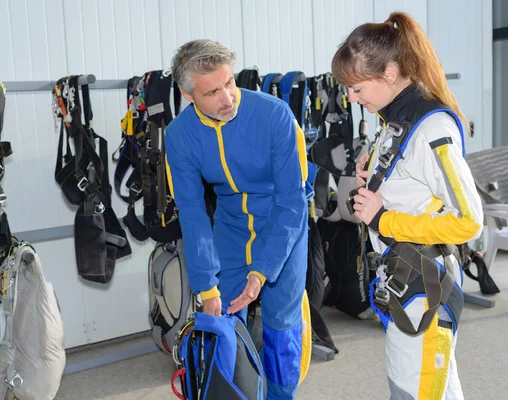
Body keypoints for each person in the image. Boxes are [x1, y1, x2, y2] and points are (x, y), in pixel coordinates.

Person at [332, 11, 484, 400]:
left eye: (356, 88)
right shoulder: (395, 119)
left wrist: (385, 217)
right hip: (405, 284)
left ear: (388, 74)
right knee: (435, 389)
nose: (352, 98)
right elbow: (415, 190)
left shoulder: (432, 129)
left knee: (415, 391)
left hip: (424, 290)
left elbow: (468, 221)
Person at [165, 39, 311, 400]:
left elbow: (293, 201)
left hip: (282, 227)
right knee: (221, 326)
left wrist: (262, 270)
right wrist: (206, 286)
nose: (227, 98)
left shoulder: (275, 115)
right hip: (230, 228)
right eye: (213, 92)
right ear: (188, 96)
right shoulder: (179, 136)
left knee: (281, 330)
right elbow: (194, 213)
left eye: (229, 83)